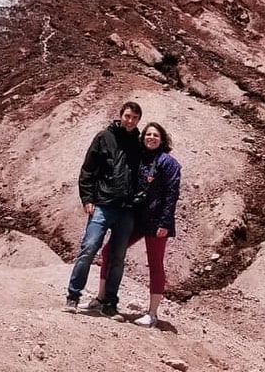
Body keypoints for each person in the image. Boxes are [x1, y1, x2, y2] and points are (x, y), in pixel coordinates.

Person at [88, 121, 181, 328]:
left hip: (157, 221)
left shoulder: (169, 163)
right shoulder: (139, 159)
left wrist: (165, 222)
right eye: (148, 134)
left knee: (155, 264)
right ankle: (101, 298)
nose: (151, 138)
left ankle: (152, 313)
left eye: (155, 135)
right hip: (136, 218)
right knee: (108, 251)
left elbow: (171, 195)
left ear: (162, 139)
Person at [65, 101, 143, 316]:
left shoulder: (138, 143)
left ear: (138, 120)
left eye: (135, 118)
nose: (130, 120)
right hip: (103, 204)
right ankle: (73, 295)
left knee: (117, 258)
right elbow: (88, 169)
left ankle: (110, 302)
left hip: (126, 209)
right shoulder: (103, 137)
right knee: (89, 248)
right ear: (120, 116)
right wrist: (87, 198)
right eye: (127, 116)